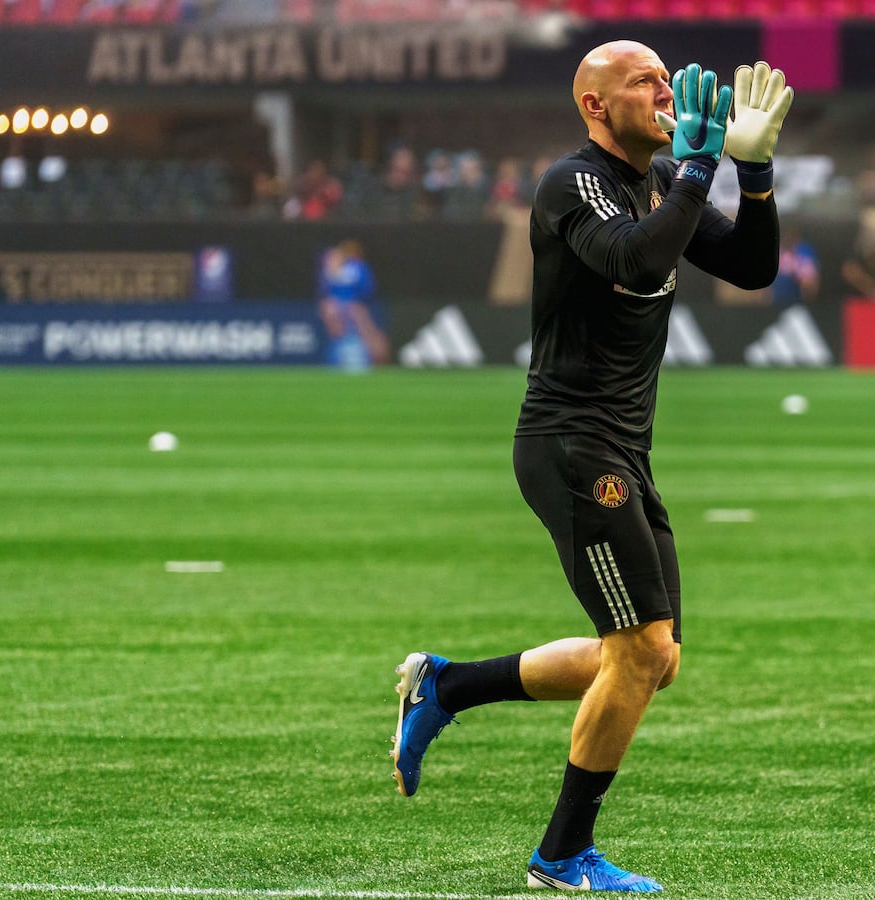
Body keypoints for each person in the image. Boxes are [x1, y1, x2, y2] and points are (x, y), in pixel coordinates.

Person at [389, 42, 792, 894]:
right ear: (595, 106)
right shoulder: (571, 183)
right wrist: (696, 170)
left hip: (621, 448)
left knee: (655, 657)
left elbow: (753, 268)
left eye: (663, 76)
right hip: (570, 443)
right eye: (643, 81)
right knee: (642, 649)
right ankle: (560, 855)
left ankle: (448, 686)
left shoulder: (656, 184)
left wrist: (751, 175)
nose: (664, 88)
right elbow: (637, 259)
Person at [317, 239, 389, 368]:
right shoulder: (339, 267)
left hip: (352, 310)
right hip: (349, 310)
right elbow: (367, 290)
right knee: (345, 336)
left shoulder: (355, 267)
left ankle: (364, 359)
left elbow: (366, 290)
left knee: (364, 337)